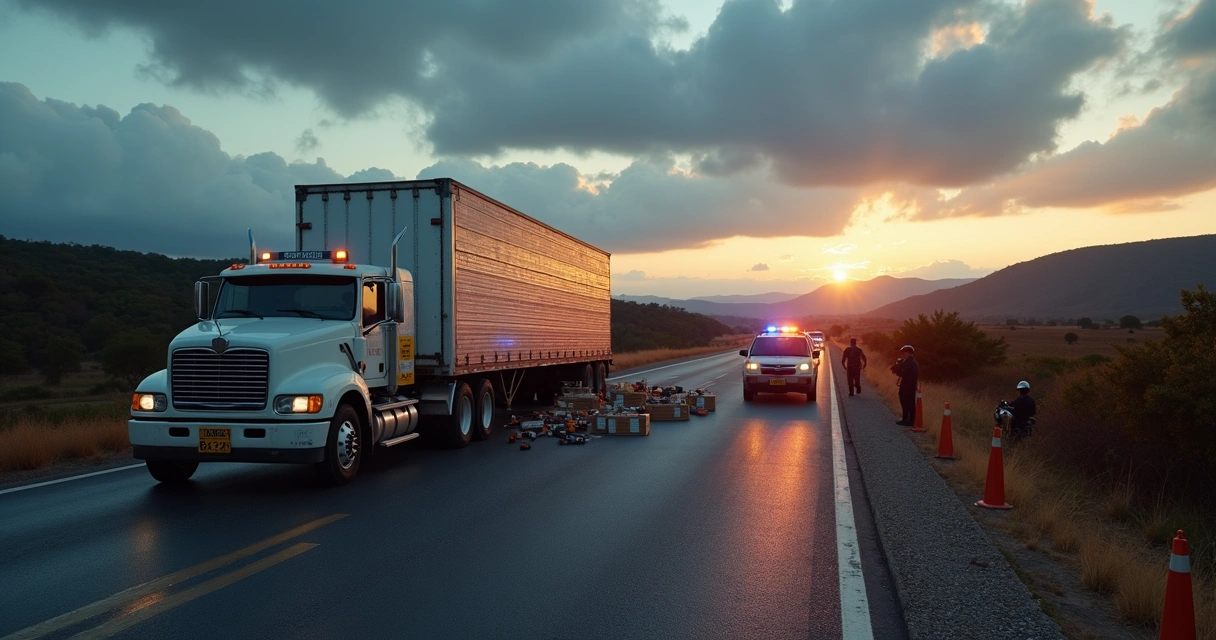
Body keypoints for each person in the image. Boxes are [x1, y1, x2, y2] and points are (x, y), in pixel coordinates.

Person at [891, 345, 919, 426]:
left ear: (910, 353)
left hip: (908, 385)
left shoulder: (910, 362)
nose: (905, 354)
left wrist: (897, 370)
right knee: (910, 402)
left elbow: (903, 373)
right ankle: (909, 419)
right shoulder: (910, 361)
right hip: (910, 385)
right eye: (904, 352)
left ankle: (906, 419)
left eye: (907, 352)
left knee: (906, 402)